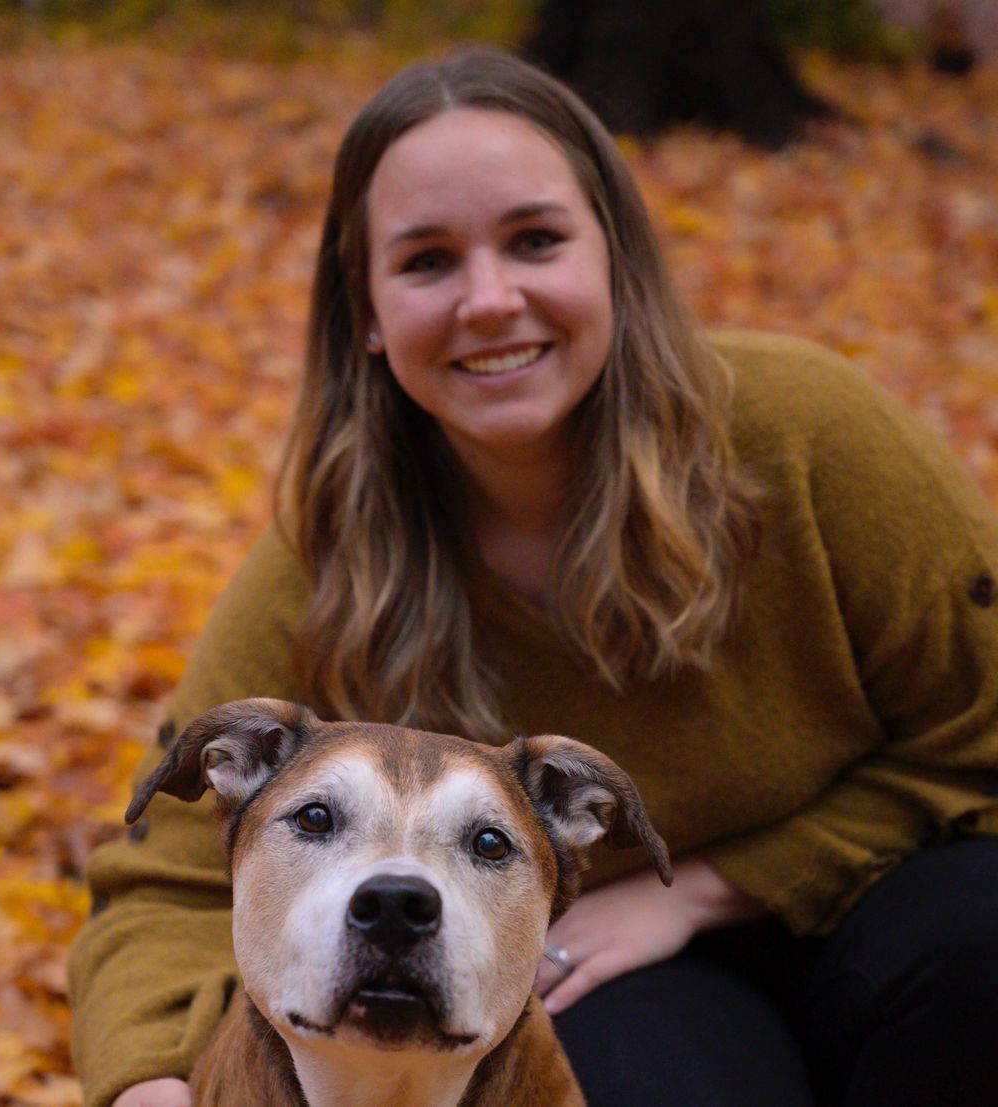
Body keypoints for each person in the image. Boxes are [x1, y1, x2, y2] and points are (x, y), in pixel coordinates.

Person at [69, 47, 998, 1107]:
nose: (490, 299)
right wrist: (149, 1083)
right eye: (425, 262)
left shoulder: (811, 442)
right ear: (366, 310)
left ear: (616, 261)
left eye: (535, 241)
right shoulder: (331, 559)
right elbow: (162, 882)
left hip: (892, 912)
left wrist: (711, 889)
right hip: (592, 986)